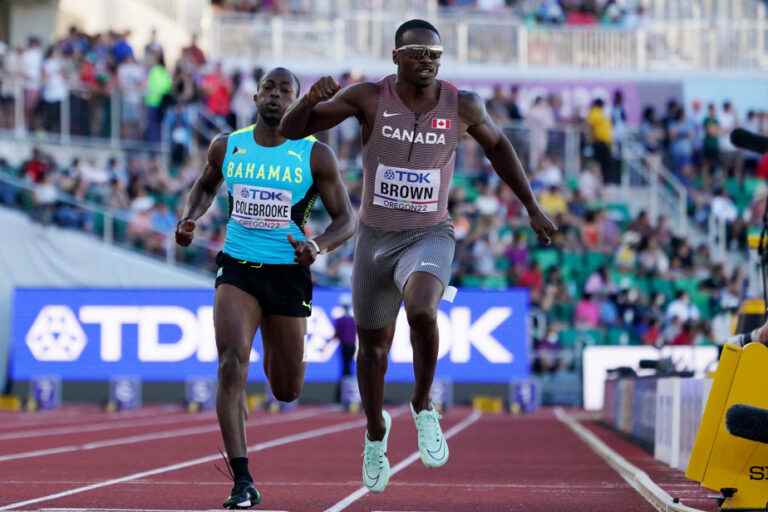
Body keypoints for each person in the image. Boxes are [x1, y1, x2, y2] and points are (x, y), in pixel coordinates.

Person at [279, 19, 557, 493]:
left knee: (424, 309)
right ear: (396, 57)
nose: (428, 62)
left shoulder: (462, 104)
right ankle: (374, 433)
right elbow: (292, 132)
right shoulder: (368, 97)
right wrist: (308, 100)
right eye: (418, 54)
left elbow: (500, 148)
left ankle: (423, 405)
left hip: (430, 233)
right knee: (373, 351)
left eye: (435, 55)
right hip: (374, 240)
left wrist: (531, 207)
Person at [175, 67, 355, 509]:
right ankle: (242, 479)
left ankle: (274, 374)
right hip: (237, 267)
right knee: (231, 363)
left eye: (285, 91)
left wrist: (317, 245)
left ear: (295, 100)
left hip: (289, 272)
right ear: (255, 96)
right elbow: (204, 186)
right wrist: (191, 217)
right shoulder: (228, 145)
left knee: (287, 388)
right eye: (269, 89)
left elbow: (347, 220)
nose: (275, 96)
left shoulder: (314, 155)